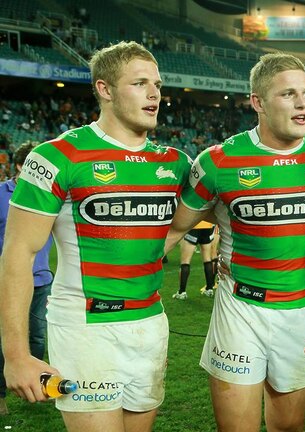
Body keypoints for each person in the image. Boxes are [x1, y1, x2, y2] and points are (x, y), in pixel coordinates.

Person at [0, 41, 190, 432]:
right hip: (85, 328)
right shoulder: (56, 156)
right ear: (104, 89)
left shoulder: (175, 163)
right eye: (140, 83)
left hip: (151, 323)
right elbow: (18, 254)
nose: (155, 93)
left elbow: (184, 225)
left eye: (157, 84)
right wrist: (16, 354)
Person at [164, 52, 305, 432]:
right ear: (257, 102)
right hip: (240, 310)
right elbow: (174, 229)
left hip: (302, 310)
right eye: (288, 94)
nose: (302, 104)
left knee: (289, 428)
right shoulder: (218, 162)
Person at [0, 142, 54, 416]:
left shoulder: (50, 195)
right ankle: (1, 395)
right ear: (22, 166)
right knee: (7, 342)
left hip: (42, 280)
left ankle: (34, 382)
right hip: (8, 283)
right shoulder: (1, 195)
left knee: (38, 338)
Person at [172, 221, 216, 300]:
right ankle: (209, 289)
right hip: (208, 226)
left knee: (185, 261)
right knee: (207, 259)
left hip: (194, 226)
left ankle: (182, 292)